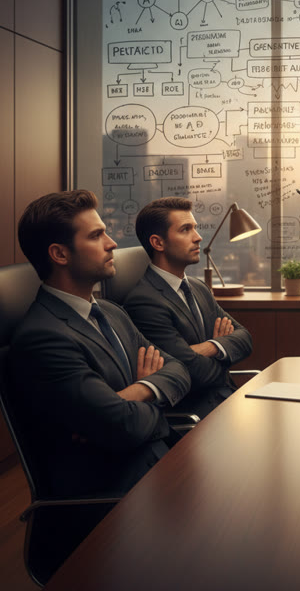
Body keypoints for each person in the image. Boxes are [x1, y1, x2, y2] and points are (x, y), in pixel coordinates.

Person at [10, 190, 190, 498]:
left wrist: (135, 392)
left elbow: (180, 371)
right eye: (96, 236)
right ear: (60, 254)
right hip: (114, 497)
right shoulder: (42, 338)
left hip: (158, 467)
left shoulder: (111, 312)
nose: (112, 243)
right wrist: (155, 395)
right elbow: (123, 428)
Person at [125, 197, 253, 418]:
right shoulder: (144, 301)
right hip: (196, 415)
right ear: (158, 243)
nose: (198, 237)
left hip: (229, 400)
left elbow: (245, 339)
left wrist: (208, 347)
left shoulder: (198, 287)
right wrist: (223, 353)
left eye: (195, 228)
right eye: (185, 230)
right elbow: (191, 373)